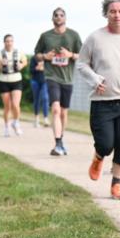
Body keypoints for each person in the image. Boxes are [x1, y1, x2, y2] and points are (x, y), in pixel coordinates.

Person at [77, 0, 120, 200]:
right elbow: (81, 64)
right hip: (102, 100)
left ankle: (116, 185)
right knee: (106, 144)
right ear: (106, 13)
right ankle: (99, 156)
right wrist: (94, 78)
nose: (117, 15)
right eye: (112, 11)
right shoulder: (94, 38)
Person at [35, 8, 83, 156]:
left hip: (67, 78)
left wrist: (70, 54)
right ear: (52, 18)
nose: (58, 17)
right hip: (51, 76)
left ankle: (61, 139)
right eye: (56, 15)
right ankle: (58, 143)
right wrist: (45, 56)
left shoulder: (73, 35)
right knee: (55, 109)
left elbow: (83, 56)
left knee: (63, 112)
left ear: (65, 18)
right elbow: (37, 55)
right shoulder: (45, 36)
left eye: (61, 15)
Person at [0, 34, 28, 136]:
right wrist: (1, 64)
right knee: (7, 106)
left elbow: (25, 61)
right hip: (4, 80)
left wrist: (21, 65)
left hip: (16, 79)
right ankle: (6, 127)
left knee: (15, 104)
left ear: (13, 42)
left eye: (11, 41)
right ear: (4, 42)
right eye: (7, 41)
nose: (9, 43)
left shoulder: (18, 52)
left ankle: (16, 122)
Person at [28, 52, 50, 128]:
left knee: (45, 98)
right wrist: (37, 67)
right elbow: (31, 70)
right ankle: (36, 119)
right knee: (36, 100)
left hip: (45, 81)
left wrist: (43, 67)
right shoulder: (33, 58)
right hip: (35, 81)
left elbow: (49, 70)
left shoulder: (47, 57)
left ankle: (46, 119)